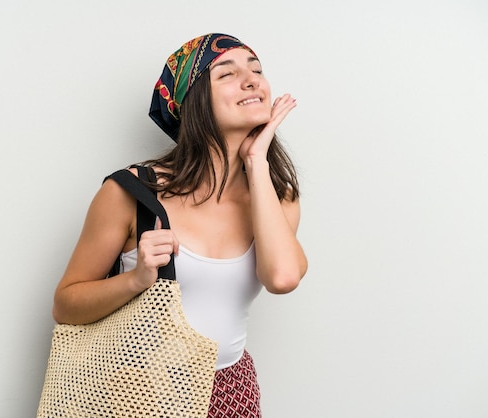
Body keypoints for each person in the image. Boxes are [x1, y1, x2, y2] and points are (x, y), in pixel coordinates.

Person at [52, 33, 307, 417]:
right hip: (135, 391)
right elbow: (65, 305)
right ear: (193, 100)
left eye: (256, 70)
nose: (253, 80)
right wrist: (136, 280)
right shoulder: (133, 191)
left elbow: (283, 278)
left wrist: (257, 163)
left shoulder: (277, 197)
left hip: (230, 392)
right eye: (227, 73)